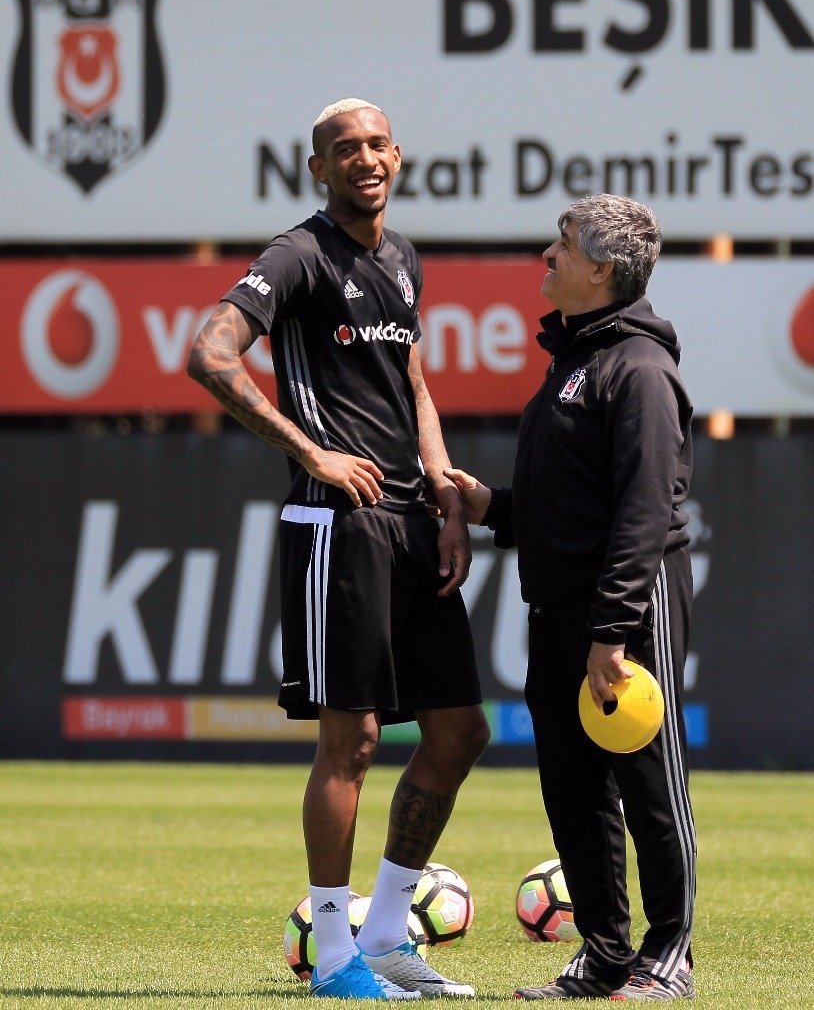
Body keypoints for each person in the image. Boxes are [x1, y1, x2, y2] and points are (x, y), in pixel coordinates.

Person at [188, 98, 489, 1000]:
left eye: (376, 145)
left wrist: (441, 488)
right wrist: (311, 451)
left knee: (458, 732)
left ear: (398, 156)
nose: (364, 159)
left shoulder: (402, 260)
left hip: (408, 522)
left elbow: (414, 380)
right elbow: (209, 353)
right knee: (351, 738)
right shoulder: (298, 255)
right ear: (317, 168)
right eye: (343, 149)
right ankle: (332, 957)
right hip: (336, 523)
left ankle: (389, 935)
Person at [445, 194, 696, 1002]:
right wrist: (492, 508)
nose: (547, 256)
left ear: (602, 269)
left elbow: (646, 509)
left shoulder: (642, 369)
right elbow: (568, 504)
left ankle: (669, 956)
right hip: (557, 606)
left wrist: (612, 630)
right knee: (574, 787)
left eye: (562, 243)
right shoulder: (576, 363)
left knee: (649, 782)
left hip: (625, 612)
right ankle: (605, 954)